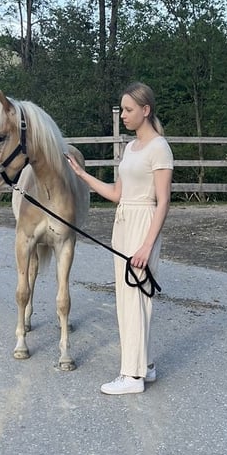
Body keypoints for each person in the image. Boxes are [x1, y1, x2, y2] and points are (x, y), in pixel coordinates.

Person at [66, 81, 174, 395]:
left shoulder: (159, 148)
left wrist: (146, 244)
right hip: (124, 220)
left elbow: (164, 201)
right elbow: (116, 194)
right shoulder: (130, 149)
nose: (123, 115)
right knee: (129, 299)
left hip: (144, 222)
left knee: (136, 299)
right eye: (123, 109)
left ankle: (132, 376)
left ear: (145, 110)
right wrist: (83, 176)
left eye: (128, 110)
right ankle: (146, 366)